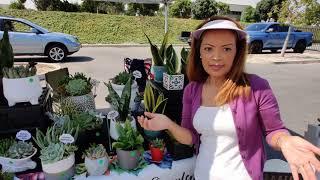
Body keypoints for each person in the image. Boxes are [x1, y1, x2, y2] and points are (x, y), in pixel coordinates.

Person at [138, 16, 320, 180]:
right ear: (199, 52)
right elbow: (191, 137)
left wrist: (285, 141)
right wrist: (168, 124)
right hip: (203, 175)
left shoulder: (256, 87)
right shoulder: (191, 90)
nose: (216, 57)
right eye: (208, 48)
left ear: (236, 52)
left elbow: (274, 131)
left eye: (226, 49)